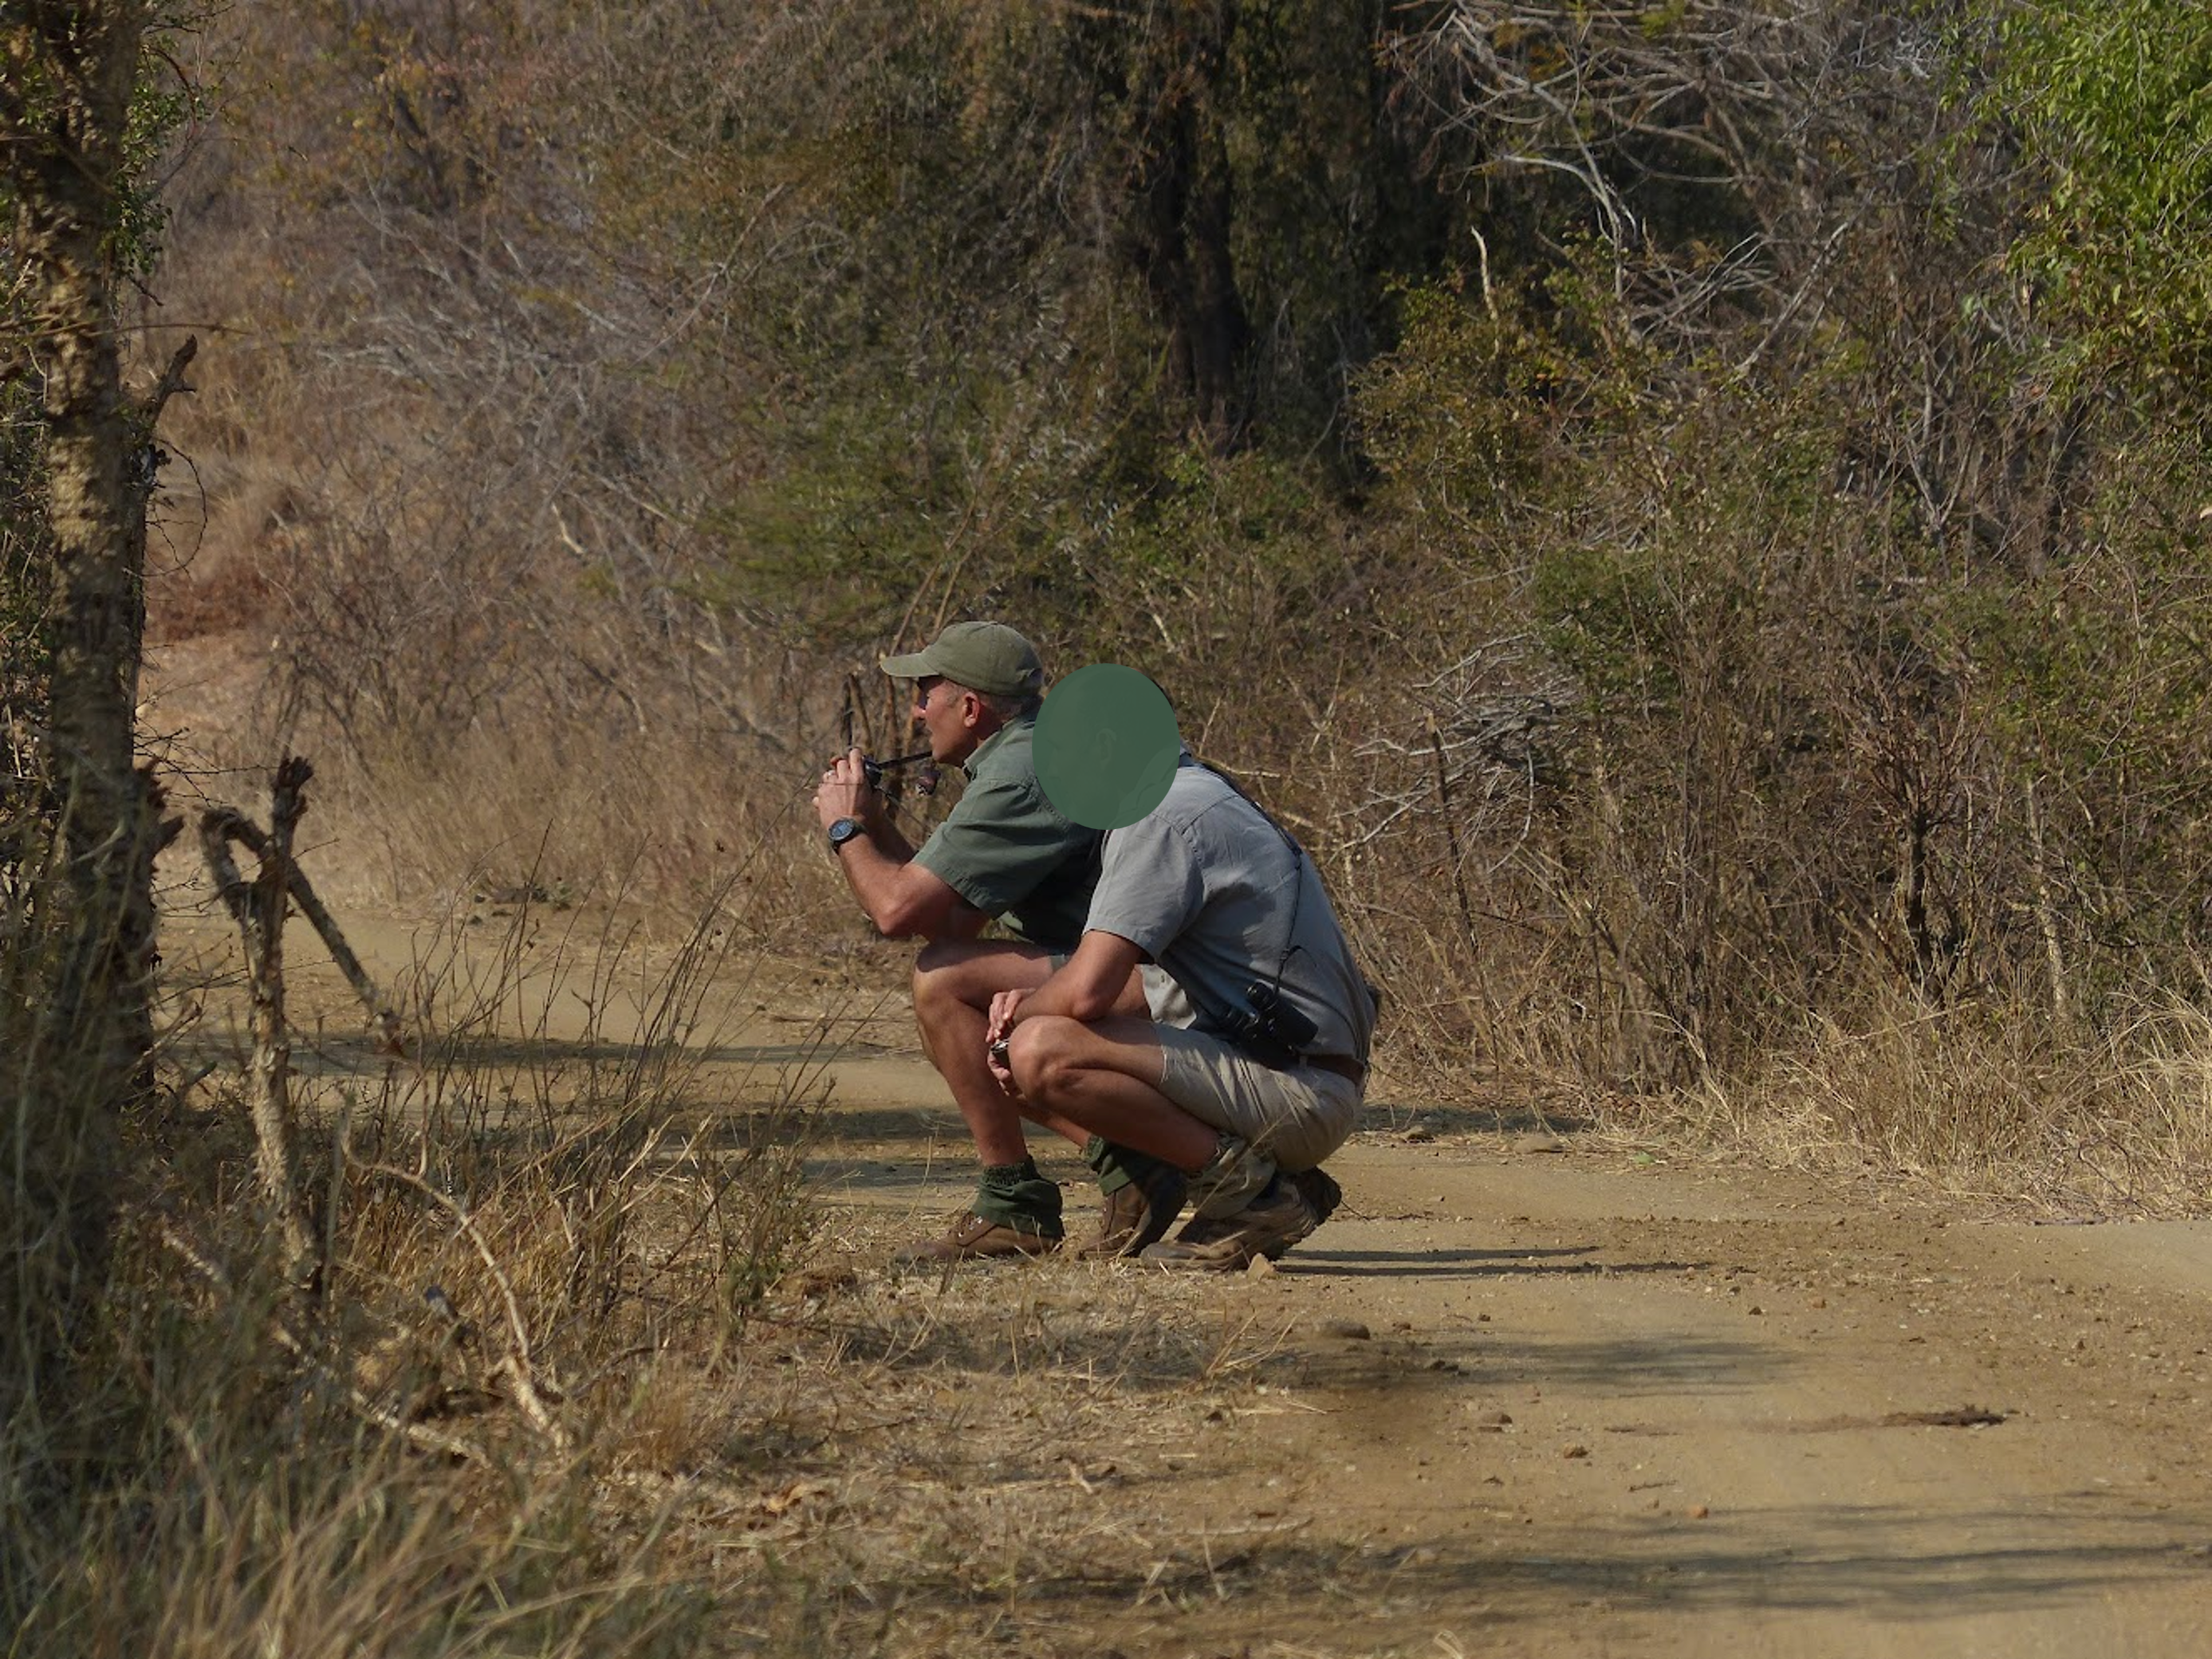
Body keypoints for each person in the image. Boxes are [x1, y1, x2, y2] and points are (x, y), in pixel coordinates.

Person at [810, 622, 1187, 1261]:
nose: (916, 710)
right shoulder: (1028, 752)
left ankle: (1047, 1190)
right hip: (1136, 964)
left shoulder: (1020, 773)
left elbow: (898, 912)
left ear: (971, 706)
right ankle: (1091, 1170)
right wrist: (875, 826)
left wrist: (846, 827)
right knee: (953, 980)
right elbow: (951, 919)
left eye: (926, 692)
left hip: (1160, 979)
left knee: (942, 982)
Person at [984, 749, 1375, 1271]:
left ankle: (1254, 1196)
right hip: (1308, 1082)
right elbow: (1140, 992)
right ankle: (1273, 1179)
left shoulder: (1159, 818)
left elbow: (1086, 992)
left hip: (1299, 1093)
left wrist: (1021, 1017)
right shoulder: (1207, 795)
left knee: (1041, 1052)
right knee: (1039, 1044)